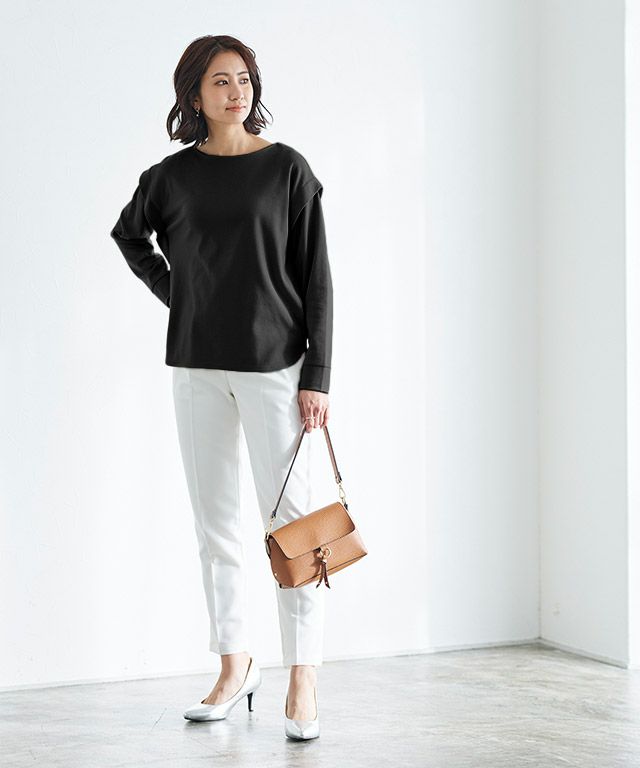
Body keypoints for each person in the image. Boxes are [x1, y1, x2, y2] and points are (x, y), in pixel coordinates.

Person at [109, 34, 333, 741]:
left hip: (277, 368)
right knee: (217, 527)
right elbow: (129, 236)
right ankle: (235, 666)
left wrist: (318, 375)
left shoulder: (287, 169)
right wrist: (182, 297)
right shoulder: (170, 178)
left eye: (243, 79)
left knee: (294, 528)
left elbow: (318, 279)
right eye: (219, 81)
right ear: (195, 96)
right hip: (198, 366)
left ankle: (303, 677)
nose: (236, 92)